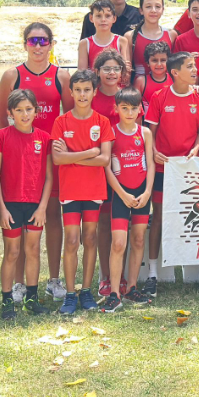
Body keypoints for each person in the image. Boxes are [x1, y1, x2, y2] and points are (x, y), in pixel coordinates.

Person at [0, 22, 72, 302]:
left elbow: (68, 117)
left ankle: (53, 280)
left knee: (51, 217)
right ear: (24, 43)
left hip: (50, 157)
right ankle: (17, 284)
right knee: (18, 221)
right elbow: (2, 119)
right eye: (32, 41)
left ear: (51, 44)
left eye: (43, 41)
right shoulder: (11, 75)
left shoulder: (61, 75)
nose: (38, 46)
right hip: (20, 159)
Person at [143, 52, 199, 297]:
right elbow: (150, 132)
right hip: (164, 167)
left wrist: (196, 148)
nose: (195, 70)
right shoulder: (159, 96)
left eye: (194, 66)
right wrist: (155, 152)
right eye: (189, 67)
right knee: (159, 216)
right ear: (175, 73)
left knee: (197, 215)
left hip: (190, 168)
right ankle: (152, 274)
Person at [51, 70, 114, 314]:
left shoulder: (102, 122)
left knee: (89, 238)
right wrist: (89, 153)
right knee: (72, 240)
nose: (82, 94)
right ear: (71, 92)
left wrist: (72, 157)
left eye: (87, 89)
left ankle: (86, 291)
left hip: (93, 189)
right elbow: (57, 159)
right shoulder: (61, 122)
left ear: (94, 92)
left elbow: (105, 159)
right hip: (70, 191)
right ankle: (69, 293)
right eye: (77, 90)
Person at [0, 90, 52, 319]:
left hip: (35, 205)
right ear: (10, 113)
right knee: (12, 252)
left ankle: (31, 299)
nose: (24, 114)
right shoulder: (1, 137)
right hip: (11, 205)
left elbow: (49, 177)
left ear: (36, 110)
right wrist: (1, 209)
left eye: (28, 109)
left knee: (33, 250)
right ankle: (7, 301)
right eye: (19, 110)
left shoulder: (44, 138)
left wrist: (43, 207)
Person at [101, 88, 156, 311]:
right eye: (124, 108)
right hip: (119, 196)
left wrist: (148, 192)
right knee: (118, 244)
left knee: (139, 240)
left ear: (140, 109)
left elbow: (151, 164)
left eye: (134, 108)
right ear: (116, 109)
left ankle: (132, 287)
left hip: (142, 194)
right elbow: (107, 168)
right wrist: (122, 194)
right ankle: (114, 292)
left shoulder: (145, 133)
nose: (129, 112)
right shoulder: (111, 132)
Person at [90, 49, 130, 299]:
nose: (111, 73)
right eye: (106, 69)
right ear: (97, 72)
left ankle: (121, 275)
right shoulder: (90, 98)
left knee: (122, 225)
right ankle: (105, 276)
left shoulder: (127, 96)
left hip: (125, 169)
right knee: (103, 224)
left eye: (116, 68)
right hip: (97, 168)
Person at [124, 0, 178, 78]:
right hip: (139, 88)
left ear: (163, 10)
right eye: (148, 7)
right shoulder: (130, 36)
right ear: (141, 10)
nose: (153, 10)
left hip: (165, 88)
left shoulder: (171, 35)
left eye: (157, 6)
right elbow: (127, 71)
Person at [78, 0, 129, 73]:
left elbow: (125, 73)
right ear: (91, 18)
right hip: (95, 84)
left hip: (117, 84)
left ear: (114, 18)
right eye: (98, 16)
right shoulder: (84, 44)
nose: (103, 20)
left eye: (107, 16)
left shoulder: (122, 41)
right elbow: (82, 75)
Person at [134, 41, 172, 122]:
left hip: (170, 125)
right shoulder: (141, 82)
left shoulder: (174, 79)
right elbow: (136, 107)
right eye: (154, 60)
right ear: (148, 63)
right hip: (147, 126)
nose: (159, 64)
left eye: (163, 60)